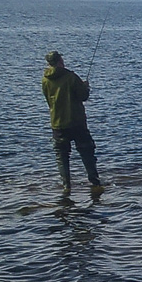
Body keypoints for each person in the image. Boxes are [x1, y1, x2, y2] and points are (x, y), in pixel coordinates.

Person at [41, 50, 102, 196]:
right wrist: (85, 86)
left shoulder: (45, 80)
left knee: (62, 156)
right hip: (76, 122)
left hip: (57, 123)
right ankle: (94, 181)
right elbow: (83, 96)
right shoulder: (70, 77)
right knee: (86, 151)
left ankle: (66, 186)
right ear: (60, 61)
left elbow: (48, 100)